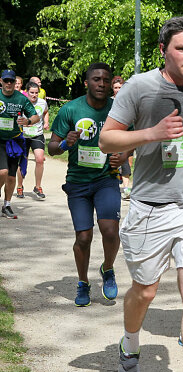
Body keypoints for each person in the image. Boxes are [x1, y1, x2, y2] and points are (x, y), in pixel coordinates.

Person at [99, 17, 183, 372]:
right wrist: (151, 134)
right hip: (150, 207)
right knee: (145, 291)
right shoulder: (139, 87)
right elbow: (107, 139)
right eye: (181, 48)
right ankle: (130, 346)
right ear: (163, 51)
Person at [48, 62, 126, 307]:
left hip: (106, 179)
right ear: (86, 83)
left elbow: (132, 140)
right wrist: (65, 144)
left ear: (110, 83)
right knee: (83, 237)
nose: (101, 84)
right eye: (96, 79)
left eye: (105, 80)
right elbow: (52, 148)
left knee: (110, 230)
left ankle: (108, 269)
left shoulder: (118, 109)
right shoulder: (71, 109)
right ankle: (83, 282)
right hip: (78, 183)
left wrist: (123, 156)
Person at [0, 69, 39, 219]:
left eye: (11, 81)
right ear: (1, 81)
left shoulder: (21, 99)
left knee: (11, 177)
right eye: (6, 80)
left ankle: (7, 205)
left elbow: (35, 116)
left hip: (14, 141)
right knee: (2, 172)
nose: (9, 83)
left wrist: (28, 121)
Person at [16, 81, 49, 199]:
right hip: (23, 135)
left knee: (39, 159)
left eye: (36, 93)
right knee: (22, 161)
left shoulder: (42, 102)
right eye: (32, 93)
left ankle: (38, 187)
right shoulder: (21, 101)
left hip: (37, 134)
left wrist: (46, 122)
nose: (34, 95)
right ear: (27, 92)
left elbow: (45, 112)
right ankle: (20, 186)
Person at [111, 75, 132, 199]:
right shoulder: (109, 102)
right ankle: (113, 185)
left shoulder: (128, 101)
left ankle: (126, 188)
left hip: (125, 135)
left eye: (120, 87)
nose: (118, 90)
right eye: (116, 88)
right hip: (112, 136)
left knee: (126, 162)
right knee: (113, 160)